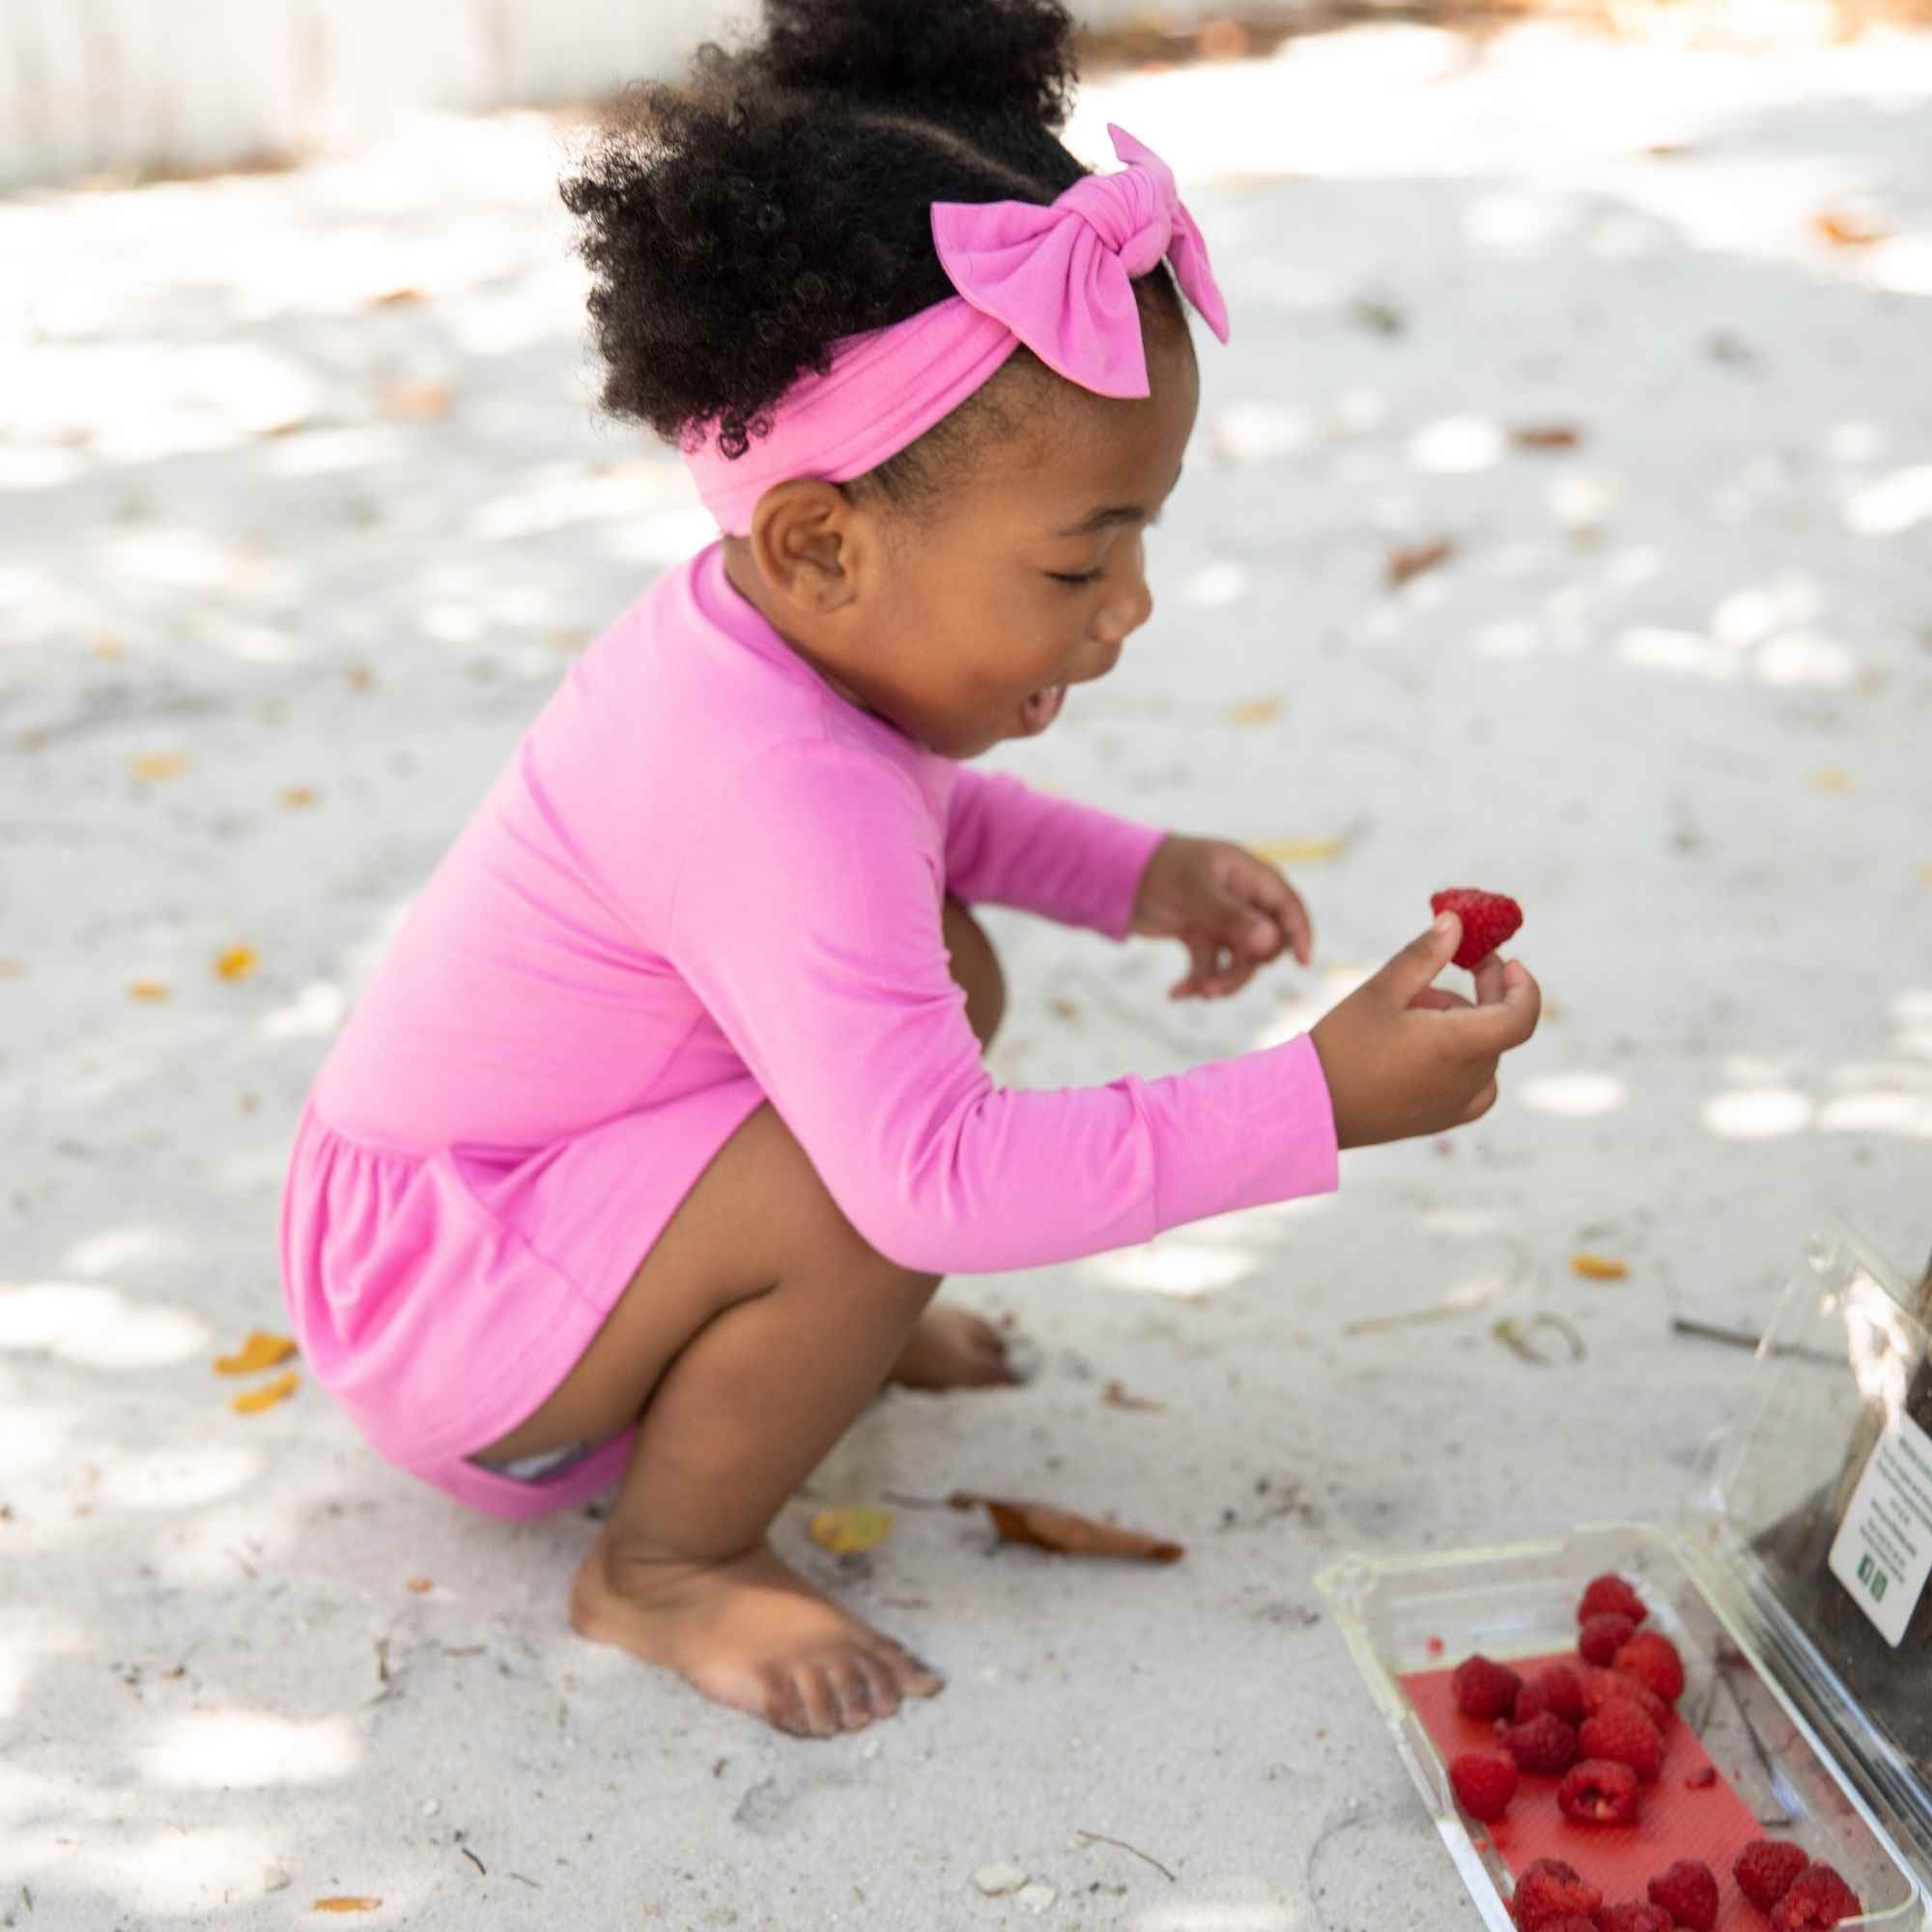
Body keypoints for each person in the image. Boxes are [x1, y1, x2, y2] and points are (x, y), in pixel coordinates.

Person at [279, 0, 1541, 1741]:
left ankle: (797, 1336)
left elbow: (915, 815)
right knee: (876, 1184)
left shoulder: (767, 640)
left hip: (497, 1212)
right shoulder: (761, 783)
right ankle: (667, 1561)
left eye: (1141, 540)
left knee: (938, 973)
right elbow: (935, 1181)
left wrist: (1136, 874)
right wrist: (1312, 1099)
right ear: (822, 542)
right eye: (1079, 564)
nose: (1131, 609)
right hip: (445, 1305)